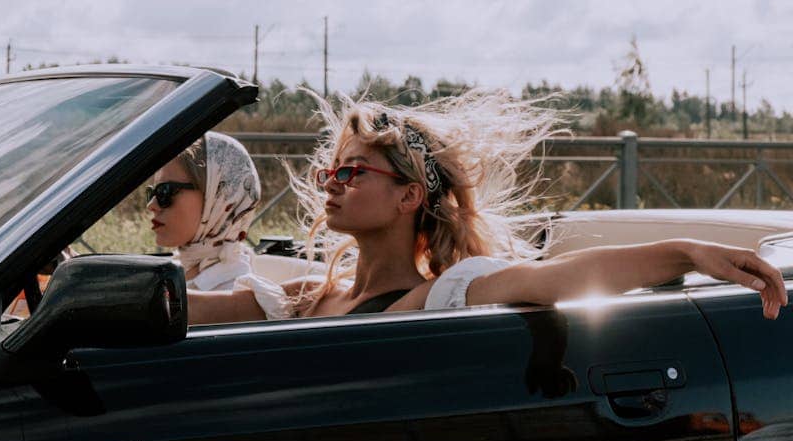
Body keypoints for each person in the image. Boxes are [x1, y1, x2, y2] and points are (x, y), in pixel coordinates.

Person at [191, 90, 788, 323]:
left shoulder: (442, 292)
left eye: (352, 171)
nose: (332, 183)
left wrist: (684, 250)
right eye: (330, 170)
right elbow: (185, 310)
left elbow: (563, 278)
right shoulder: (302, 297)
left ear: (409, 196)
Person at [147, 131, 261, 292]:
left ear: (218, 197)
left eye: (164, 191)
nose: (151, 205)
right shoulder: (185, 269)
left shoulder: (231, 292)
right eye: (151, 193)